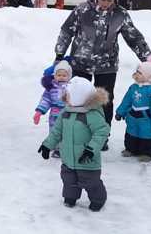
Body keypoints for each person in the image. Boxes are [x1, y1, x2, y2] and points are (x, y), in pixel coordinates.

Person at [54, 0, 151, 151]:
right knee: (77, 98)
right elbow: (66, 31)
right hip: (80, 62)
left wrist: (148, 60)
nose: (106, 2)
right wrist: (60, 54)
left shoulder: (120, 14)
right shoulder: (82, 10)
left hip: (107, 64)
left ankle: (102, 135)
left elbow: (134, 37)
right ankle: (76, 132)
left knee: (104, 101)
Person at [39, 77, 110, 212]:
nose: (65, 97)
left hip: (87, 159)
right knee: (68, 180)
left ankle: (98, 199)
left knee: (91, 182)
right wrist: (47, 145)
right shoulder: (65, 112)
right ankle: (70, 198)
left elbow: (101, 132)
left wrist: (91, 149)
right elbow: (57, 131)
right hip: (68, 158)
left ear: (79, 96)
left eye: (69, 95)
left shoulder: (92, 114)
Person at [115, 54, 151, 162]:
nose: (136, 75)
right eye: (136, 72)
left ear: (150, 76)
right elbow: (127, 100)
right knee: (131, 133)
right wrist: (120, 112)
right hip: (132, 116)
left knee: (147, 135)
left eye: (140, 73)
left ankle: (147, 153)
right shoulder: (134, 87)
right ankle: (131, 148)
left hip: (147, 119)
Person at [34, 60, 73, 157]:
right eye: (59, 75)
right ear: (54, 75)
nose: (61, 77)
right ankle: (57, 148)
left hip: (68, 114)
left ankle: (65, 148)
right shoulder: (51, 87)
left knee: (67, 131)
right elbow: (46, 100)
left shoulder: (72, 87)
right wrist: (39, 111)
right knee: (54, 131)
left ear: (69, 76)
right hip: (54, 115)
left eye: (64, 75)